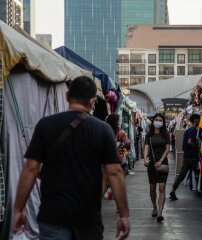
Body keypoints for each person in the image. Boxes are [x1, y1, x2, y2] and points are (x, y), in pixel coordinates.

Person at [13, 76, 130, 240]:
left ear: (67, 96)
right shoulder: (103, 130)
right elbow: (115, 172)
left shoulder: (45, 125)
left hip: (52, 216)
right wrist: (123, 215)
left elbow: (31, 168)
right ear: (92, 101)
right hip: (87, 217)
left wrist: (18, 209)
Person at [143, 113, 170, 223]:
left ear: (162, 122)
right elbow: (146, 148)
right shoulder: (149, 135)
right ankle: (154, 206)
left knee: (162, 188)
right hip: (152, 164)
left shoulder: (166, 134)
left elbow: (167, 149)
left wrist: (161, 160)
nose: (158, 121)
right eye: (156, 119)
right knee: (152, 187)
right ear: (153, 121)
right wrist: (145, 159)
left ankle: (160, 213)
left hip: (163, 163)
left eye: (160, 120)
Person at [169, 114, 200, 201]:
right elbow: (190, 141)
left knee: (181, 175)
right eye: (198, 119)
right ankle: (199, 190)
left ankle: (173, 190)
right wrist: (197, 147)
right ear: (195, 120)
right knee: (198, 173)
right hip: (192, 156)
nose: (199, 121)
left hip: (186, 156)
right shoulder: (193, 130)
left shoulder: (188, 130)